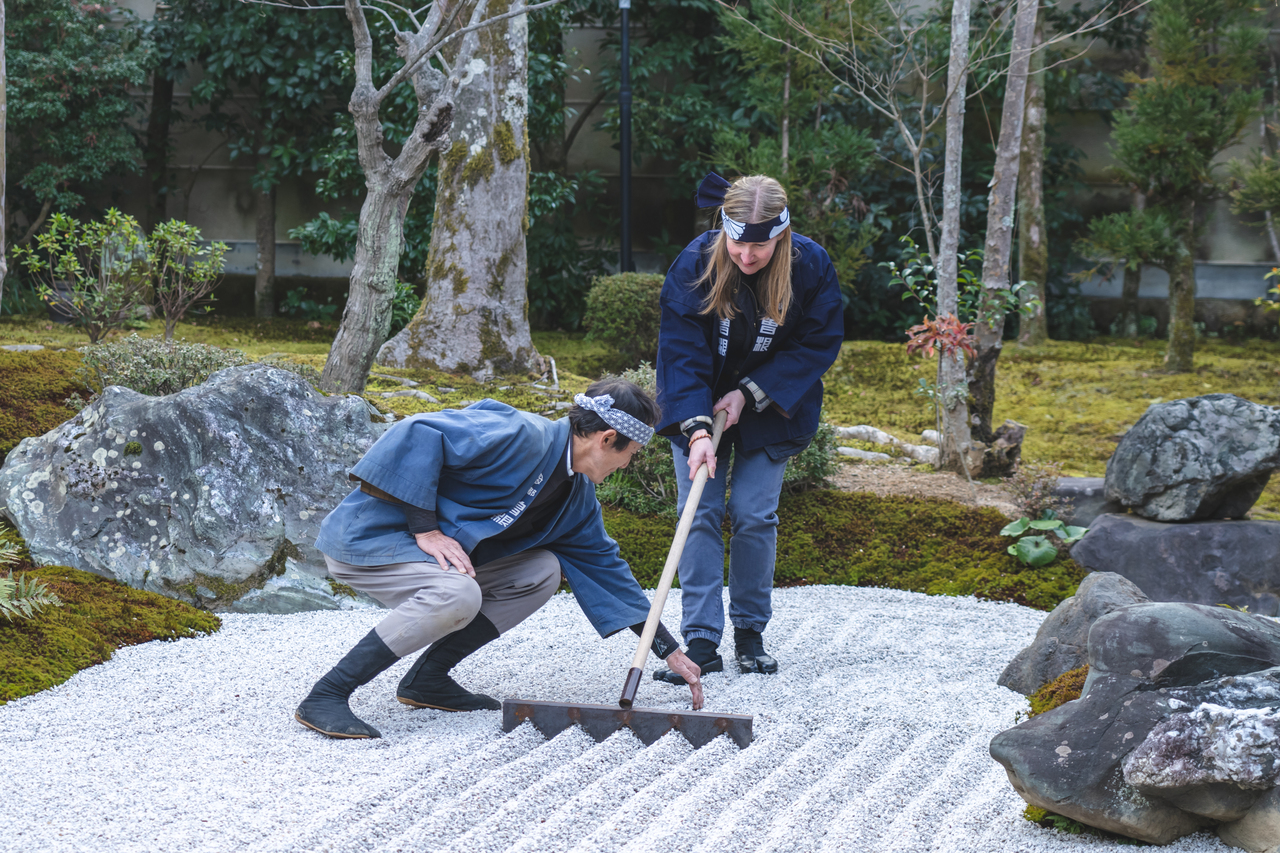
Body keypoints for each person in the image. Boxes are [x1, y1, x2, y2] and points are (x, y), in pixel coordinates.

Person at [295, 378, 703, 739]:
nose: (627, 464)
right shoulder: (521, 433)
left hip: (439, 558)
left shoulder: (577, 496)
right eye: (630, 453)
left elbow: (606, 569)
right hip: (374, 540)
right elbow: (418, 431)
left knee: (542, 571)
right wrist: (425, 527)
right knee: (459, 594)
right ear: (607, 438)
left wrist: (667, 648)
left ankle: (427, 680)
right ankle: (328, 693)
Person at [652, 172, 844, 684]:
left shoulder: (810, 266)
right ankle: (701, 640)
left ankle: (750, 631)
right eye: (738, 243)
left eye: (761, 246)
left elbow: (817, 345)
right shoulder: (696, 262)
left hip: (772, 405)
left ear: (781, 234)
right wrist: (696, 430)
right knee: (698, 512)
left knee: (754, 513)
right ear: (724, 228)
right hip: (697, 399)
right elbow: (680, 350)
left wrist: (749, 392)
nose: (747, 256)